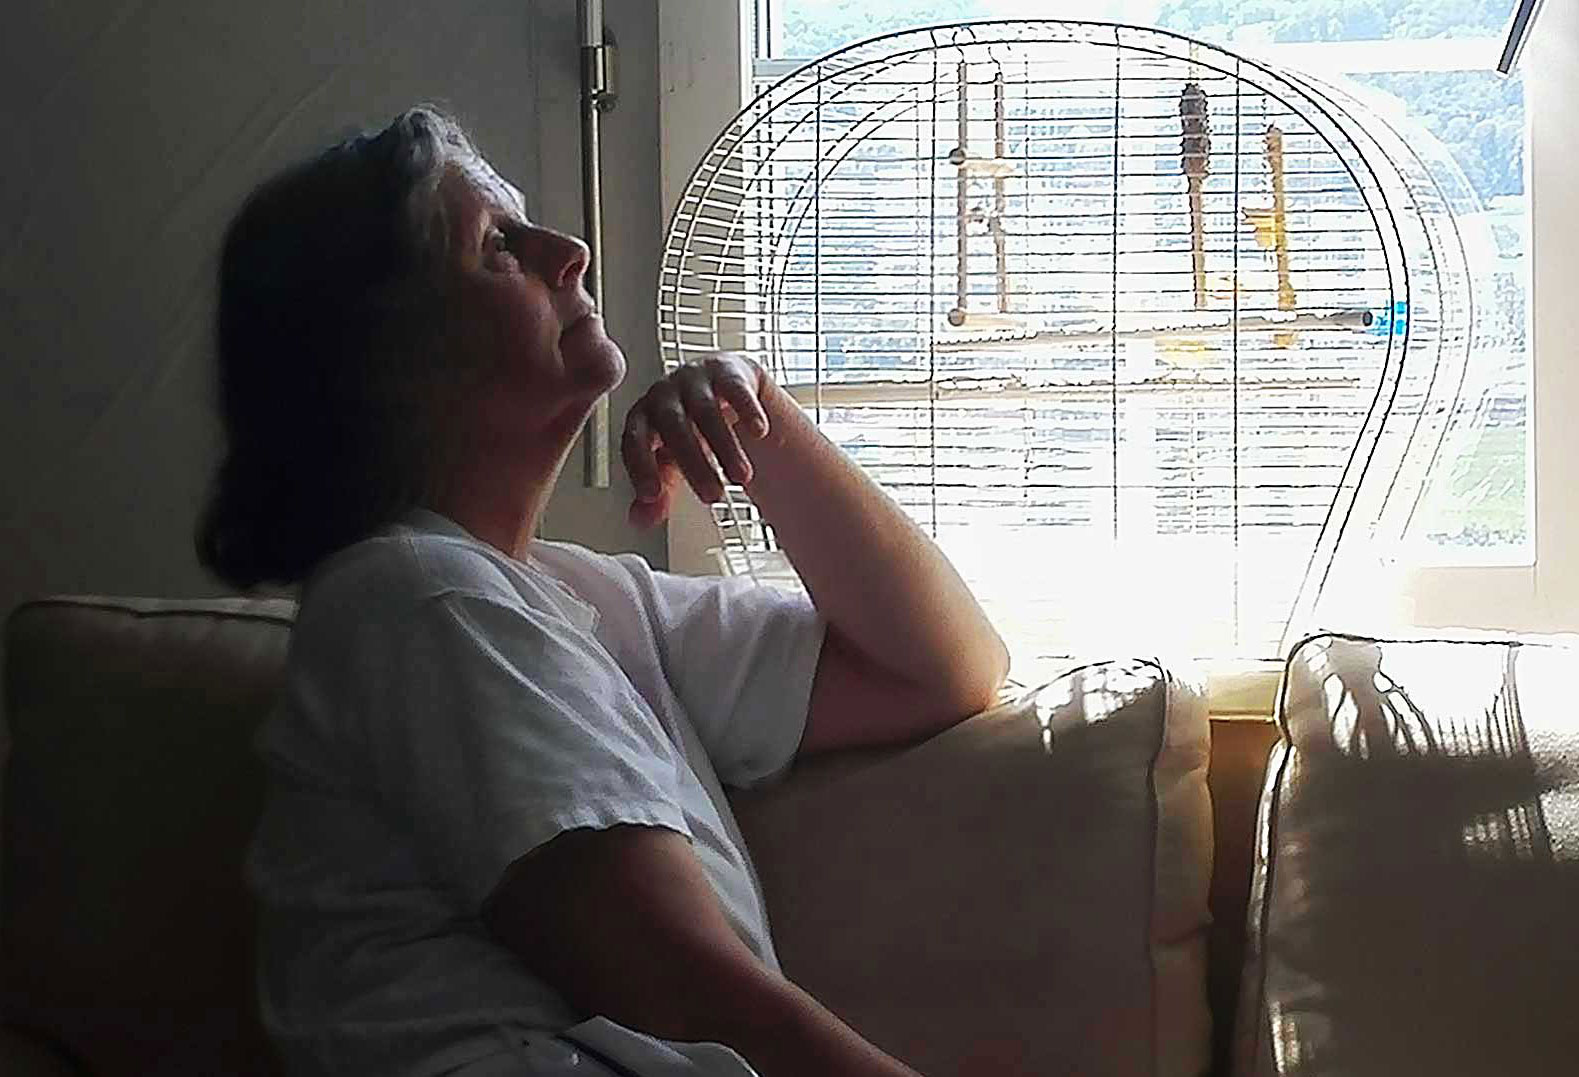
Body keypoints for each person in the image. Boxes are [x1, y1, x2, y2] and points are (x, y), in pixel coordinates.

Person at [199, 106, 1007, 1077]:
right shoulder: (418, 599)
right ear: (386, 355)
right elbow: (683, 989)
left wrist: (759, 418)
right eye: (499, 245)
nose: (570, 251)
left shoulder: (582, 600)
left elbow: (942, 668)